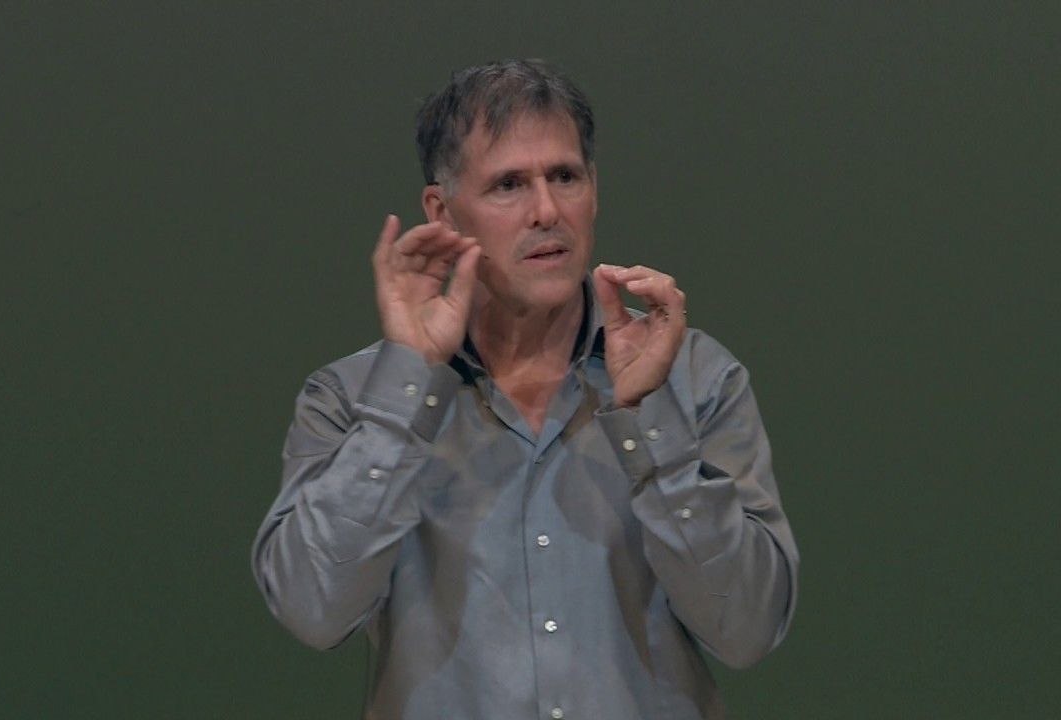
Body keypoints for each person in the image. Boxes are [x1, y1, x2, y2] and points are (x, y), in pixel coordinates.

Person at [252, 59, 798, 720]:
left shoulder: (696, 377)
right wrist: (406, 386)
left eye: (564, 177)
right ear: (442, 211)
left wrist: (647, 420)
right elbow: (313, 609)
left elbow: (746, 630)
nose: (547, 211)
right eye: (509, 185)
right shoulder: (351, 398)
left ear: (594, 189)